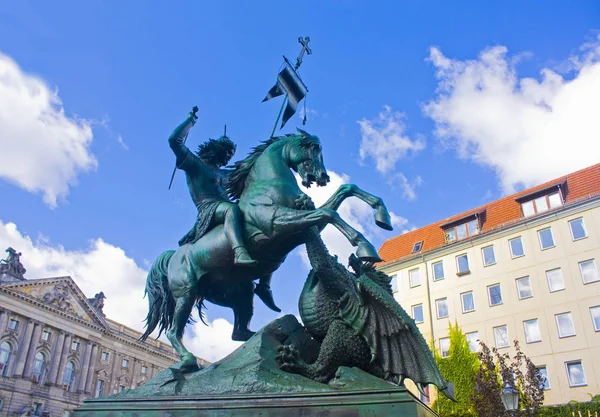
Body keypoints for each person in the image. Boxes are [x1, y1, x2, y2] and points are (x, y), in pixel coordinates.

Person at [168, 107, 257, 267]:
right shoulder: (195, 164)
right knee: (232, 209)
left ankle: (264, 283)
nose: (229, 158)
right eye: (227, 153)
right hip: (208, 209)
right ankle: (239, 252)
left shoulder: (225, 174)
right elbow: (174, 140)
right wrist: (190, 121)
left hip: (225, 208)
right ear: (217, 149)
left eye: (231, 155)